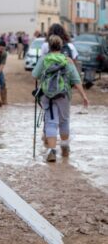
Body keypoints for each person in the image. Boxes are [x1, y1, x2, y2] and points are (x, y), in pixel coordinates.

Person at [32, 35, 89, 163]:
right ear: (61, 46)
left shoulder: (44, 59)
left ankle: (51, 151)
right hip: (64, 95)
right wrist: (84, 96)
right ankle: (64, 146)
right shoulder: (67, 60)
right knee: (64, 121)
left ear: (49, 46)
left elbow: (35, 75)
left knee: (51, 121)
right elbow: (76, 80)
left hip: (47, 96)